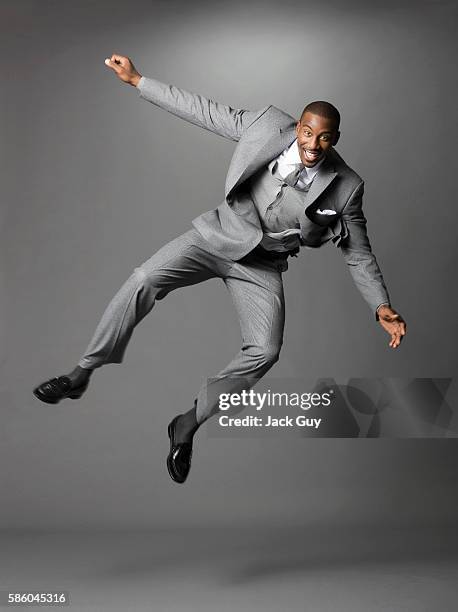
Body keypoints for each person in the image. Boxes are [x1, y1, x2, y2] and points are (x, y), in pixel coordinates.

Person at [33, 54, 406, 484]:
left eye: (324, 138)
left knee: (265, 350)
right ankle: (82, 373)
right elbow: (206, 111)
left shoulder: (346, 185)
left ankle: (188, 422)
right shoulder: (266, 124)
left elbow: (357, 250)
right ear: (298, 127)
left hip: (262, 264)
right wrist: (138, 81)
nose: (313, 143)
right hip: (217, 237)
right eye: (307, 132)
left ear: (334, 139)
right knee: (144, 278)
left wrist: (382, 306)